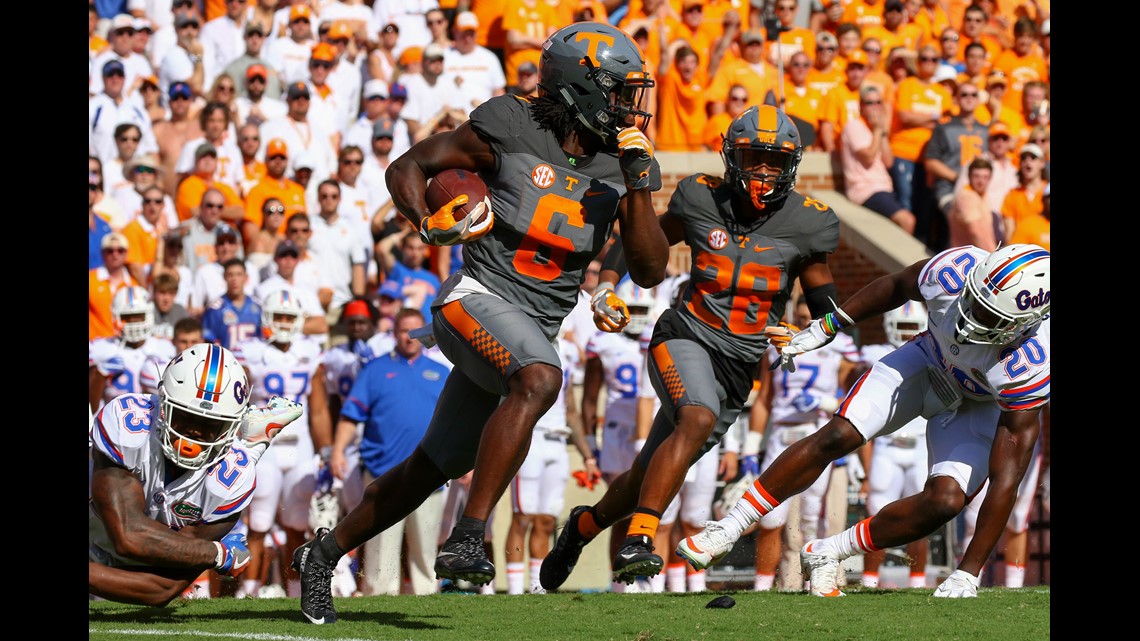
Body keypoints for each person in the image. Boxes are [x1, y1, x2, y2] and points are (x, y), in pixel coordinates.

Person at [290, 22, 668, 624]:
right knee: (542, 379)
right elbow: (407, 167)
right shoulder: (508, 124)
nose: (628, 108)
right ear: (579, 87)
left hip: (529, 329)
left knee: (430, 467)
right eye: (618, 92)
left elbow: (649, 270)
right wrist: (425, 220)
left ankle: (323, 554)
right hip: (474, 297)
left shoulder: (621, 161)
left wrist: (640, 185)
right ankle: (467, 537)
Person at [540, 104, 841, 591]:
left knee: (648, 472)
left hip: (739, 365)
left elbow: (825, 299)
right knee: (696, 417)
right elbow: (644, 237)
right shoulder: (700, 197)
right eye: (753, 157)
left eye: (774, 160)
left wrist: (817, 330)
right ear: (730, 155)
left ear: (792, 165)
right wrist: (607, 284)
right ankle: (641, 539)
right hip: (687, 334)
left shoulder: (808, 223)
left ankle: (582, 528)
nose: (763, 171)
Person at [679, 243, 1050, 599]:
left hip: (976, 404)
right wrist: (830, 324)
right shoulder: (956, 271)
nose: (970, 314)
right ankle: (728, 528)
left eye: (989, 315)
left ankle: (829, 550)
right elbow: (896, 285)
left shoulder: (1030, 362)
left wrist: (968, 572)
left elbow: (1006, 478)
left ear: (1027, 322)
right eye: (973, 299)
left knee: (947, 501)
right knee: (839, 434)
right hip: (925, 363)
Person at [89, 342, 303, 605]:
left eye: (210, 424)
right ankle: (251, 441)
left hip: (131, 556)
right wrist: (217, 554)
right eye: (184, 417)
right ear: (162, 405)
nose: (194, 433)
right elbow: (128, 536)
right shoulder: (129, 428)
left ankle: (250, 444)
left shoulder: (229, 481)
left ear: (228, 426)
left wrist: (204, 552)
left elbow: (159, 589)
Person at [327, 308, 449, 596]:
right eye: (403, 331)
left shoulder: (442, 373)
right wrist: (337, 452)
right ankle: (378, 598)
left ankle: (426, 597)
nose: (409, 338)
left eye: (415, 331)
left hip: (429, 474)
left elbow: (458, 422)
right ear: (393, 333)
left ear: (426, 334)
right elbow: (350, 416)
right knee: (381, 547)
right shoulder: (375, 370)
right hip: (384, 474)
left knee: (426, 546)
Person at [743, 296, 857, 593]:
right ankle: (766, 586)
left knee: (811, 515)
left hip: (817, 432)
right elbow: (765, 400)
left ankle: (817, 583)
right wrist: (750, 446)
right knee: (769, 515)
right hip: (782, 433)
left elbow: (855, 395)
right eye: (803, 316)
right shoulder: (777, 345)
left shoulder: (840, 347)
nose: (807, 323)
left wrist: (826, 402)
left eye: (812, 318)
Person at [232, 290, 332, 599]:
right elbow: (238, 403)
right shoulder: (250, 352)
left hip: (300, 442)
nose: (285, 323)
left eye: (290, 317)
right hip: (264, 445)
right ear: (267, 319)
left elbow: (317, 408)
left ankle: (294, 589)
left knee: (296, 524)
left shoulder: (309, 350)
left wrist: (326, 450)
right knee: (259, 522)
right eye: (280, 317)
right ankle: (247, 591)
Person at [506, 333, 594, 595]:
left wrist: (588, 456)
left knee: (546, 519)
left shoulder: (566, 351)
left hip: (557, 440)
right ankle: (512, 589)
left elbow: (571, 410)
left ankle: (536, 586)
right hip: (530, 437)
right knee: (522, 517)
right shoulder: (521, 342)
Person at [856, 301, 931, 589]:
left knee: (923, 518)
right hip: (887, 446)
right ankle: (869, 580)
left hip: (921, 444)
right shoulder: (876, 355)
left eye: (912, 328)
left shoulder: (931, 353)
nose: (906, 334)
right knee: (876, 513)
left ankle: (919, 581)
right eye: (902, 327)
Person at [840, 85, 916, 235]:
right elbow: (868, 158)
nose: (874, 107)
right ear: (861, 106)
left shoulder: (877, 128)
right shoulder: (854, 126)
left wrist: (880, 131)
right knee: (907, 220)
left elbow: (888, 162)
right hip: (865, 189)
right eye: (870, 103)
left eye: (878, 102)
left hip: (883, 187)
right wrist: (877, 130)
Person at [89, 285, 177, 414]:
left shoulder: (165, 348)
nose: (133, 322)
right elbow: (91, 407)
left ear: (149, 315)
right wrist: (99, 374)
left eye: (138, 316)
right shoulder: (101, 348)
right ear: (116, 317)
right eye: (127, 317)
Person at [200, 257, 261, 348]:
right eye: (230, 275)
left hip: (252, 361)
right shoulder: (214, 309)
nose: (234, 279)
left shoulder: (258, 307)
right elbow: (208, 343)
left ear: (246, 277)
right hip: (225, 361)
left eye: (238, 275)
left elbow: (263, 340)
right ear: (224, 277)